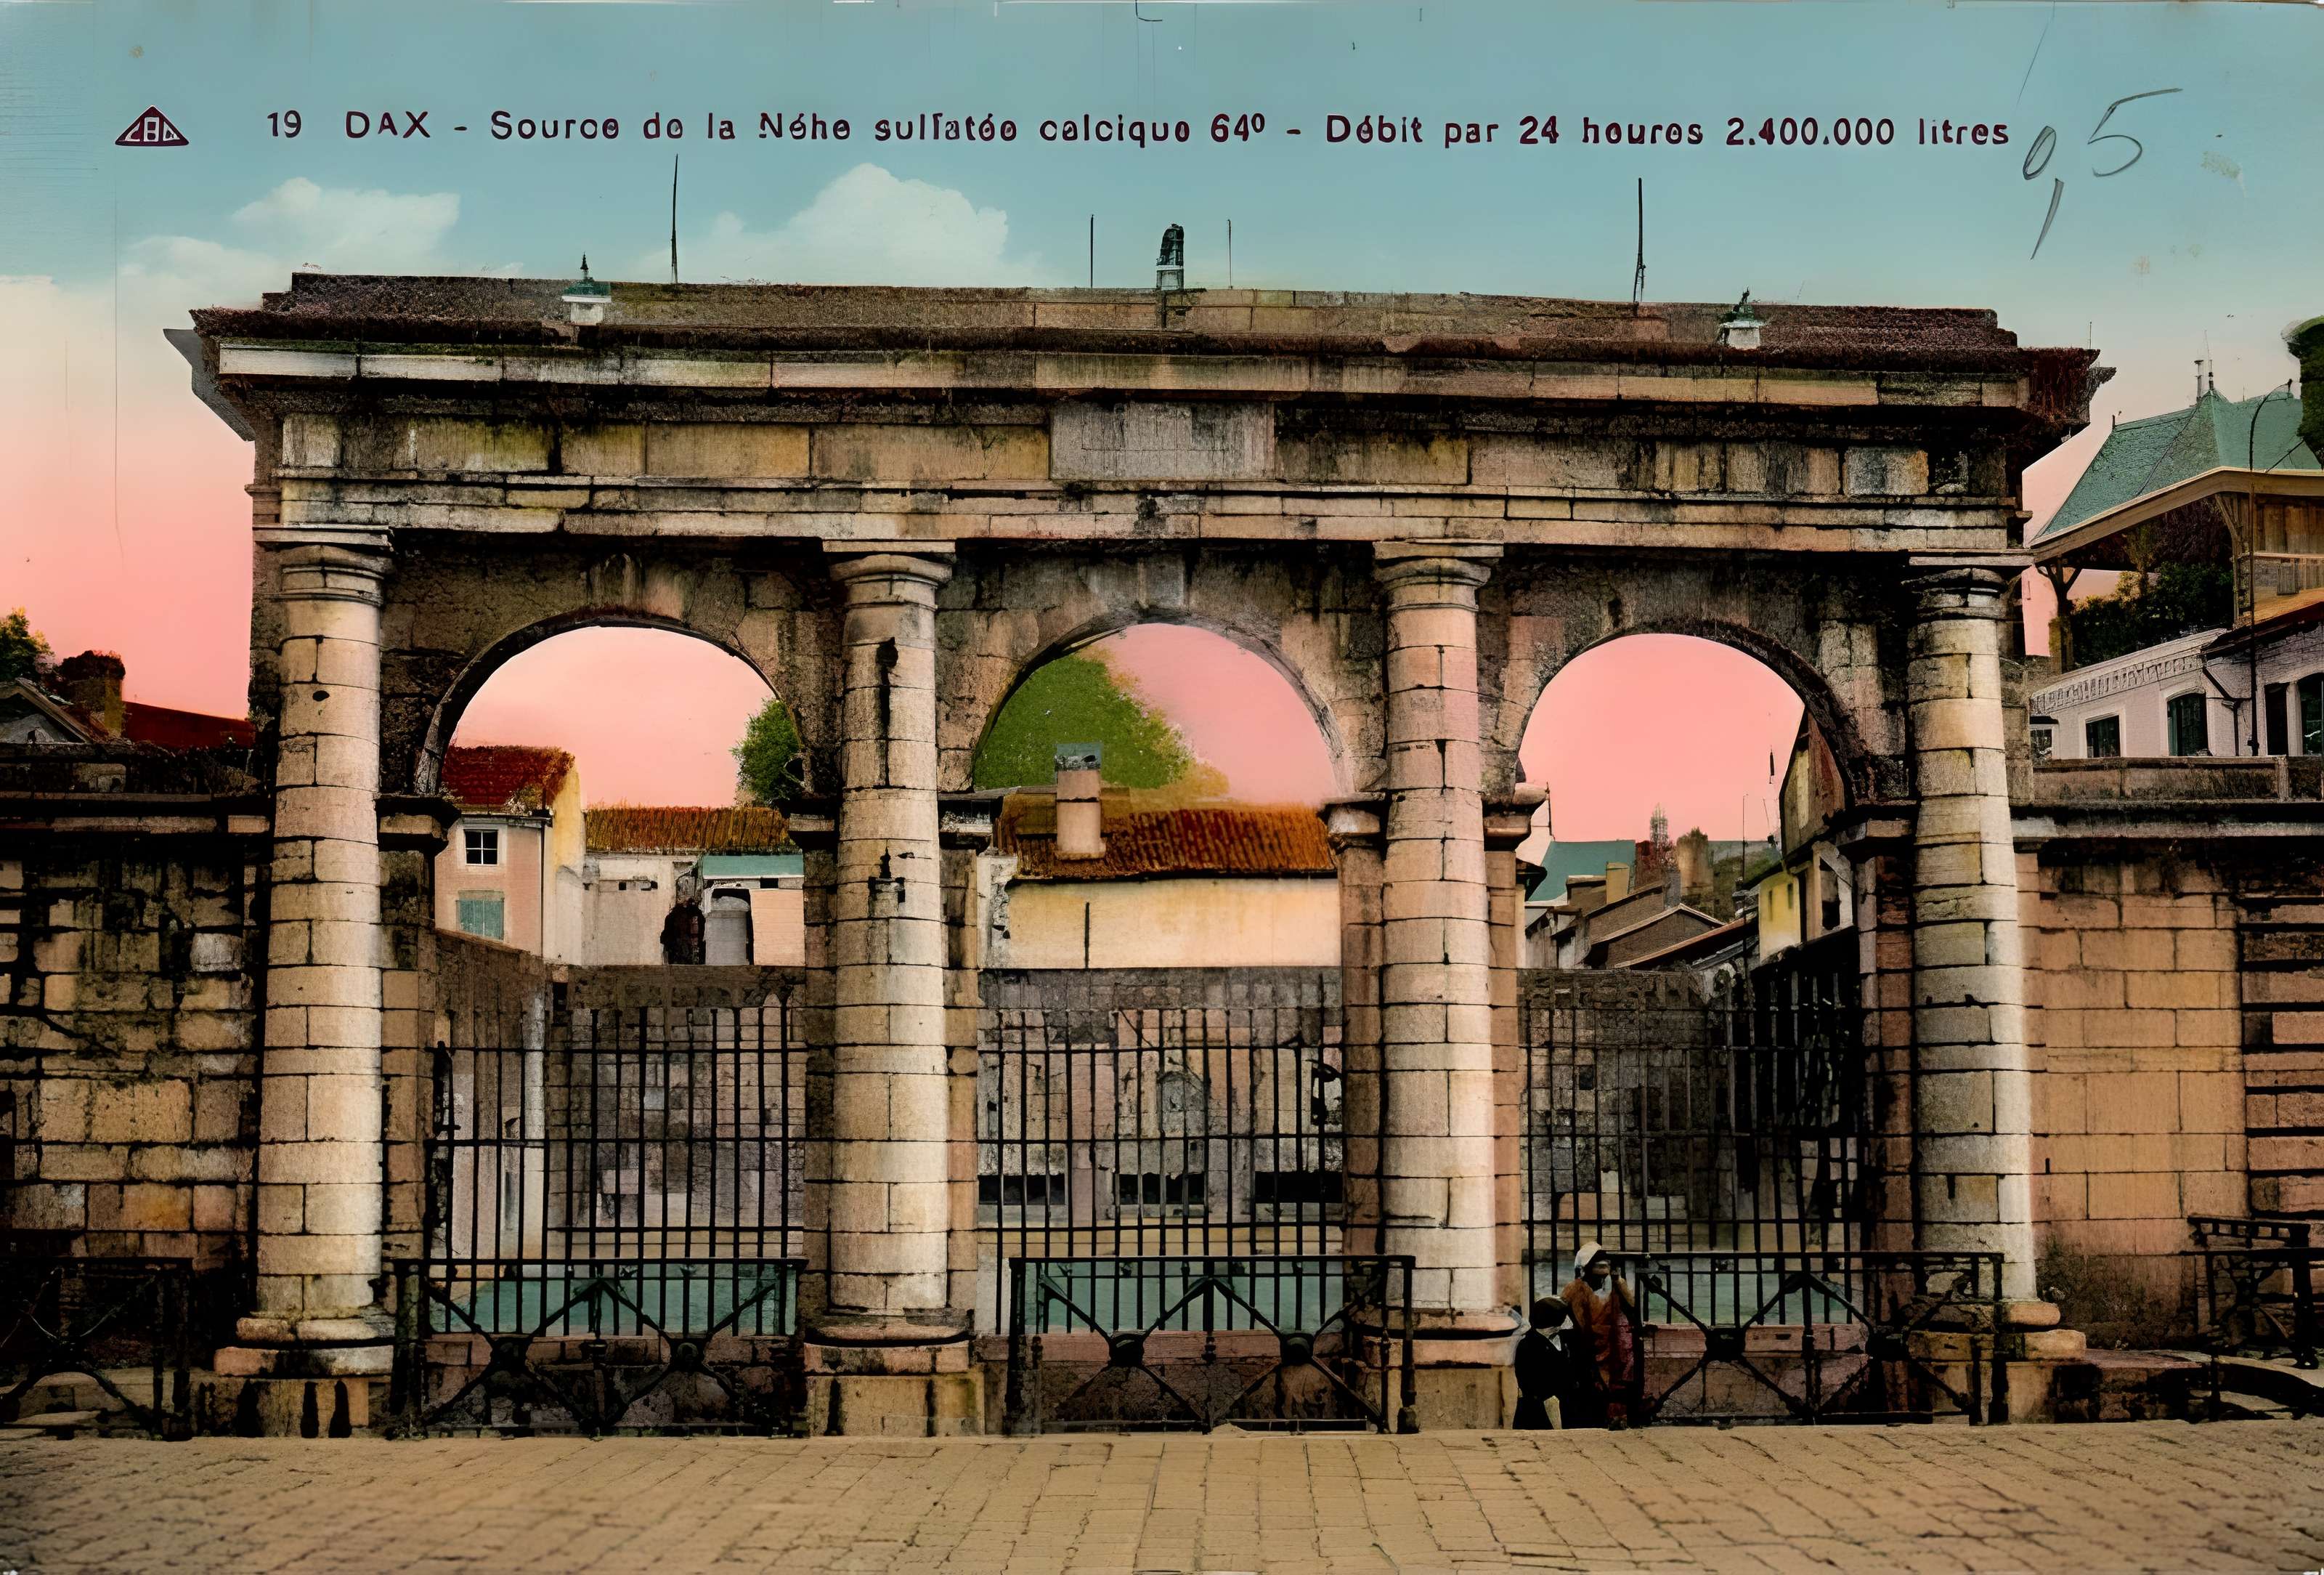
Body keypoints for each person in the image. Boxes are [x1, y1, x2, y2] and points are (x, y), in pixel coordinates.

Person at [1560, 1240, 1640, 1428]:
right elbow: (1579, 1323)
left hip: (1611, 1350)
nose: (1604, 1269)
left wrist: (1619, 1281)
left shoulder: (1613, 1286)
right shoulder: (1576, 1288)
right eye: (1599, 1265)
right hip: (1587, 1350)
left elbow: (1633, 1307)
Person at [1511, 1295, 1581, 1430]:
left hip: (1570, 1409)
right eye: (1563, 1318)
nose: (1569, 1323)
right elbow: (1530, 1385)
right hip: (1539, 1414)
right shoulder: (1527, 1347)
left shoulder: (1569, 1339)